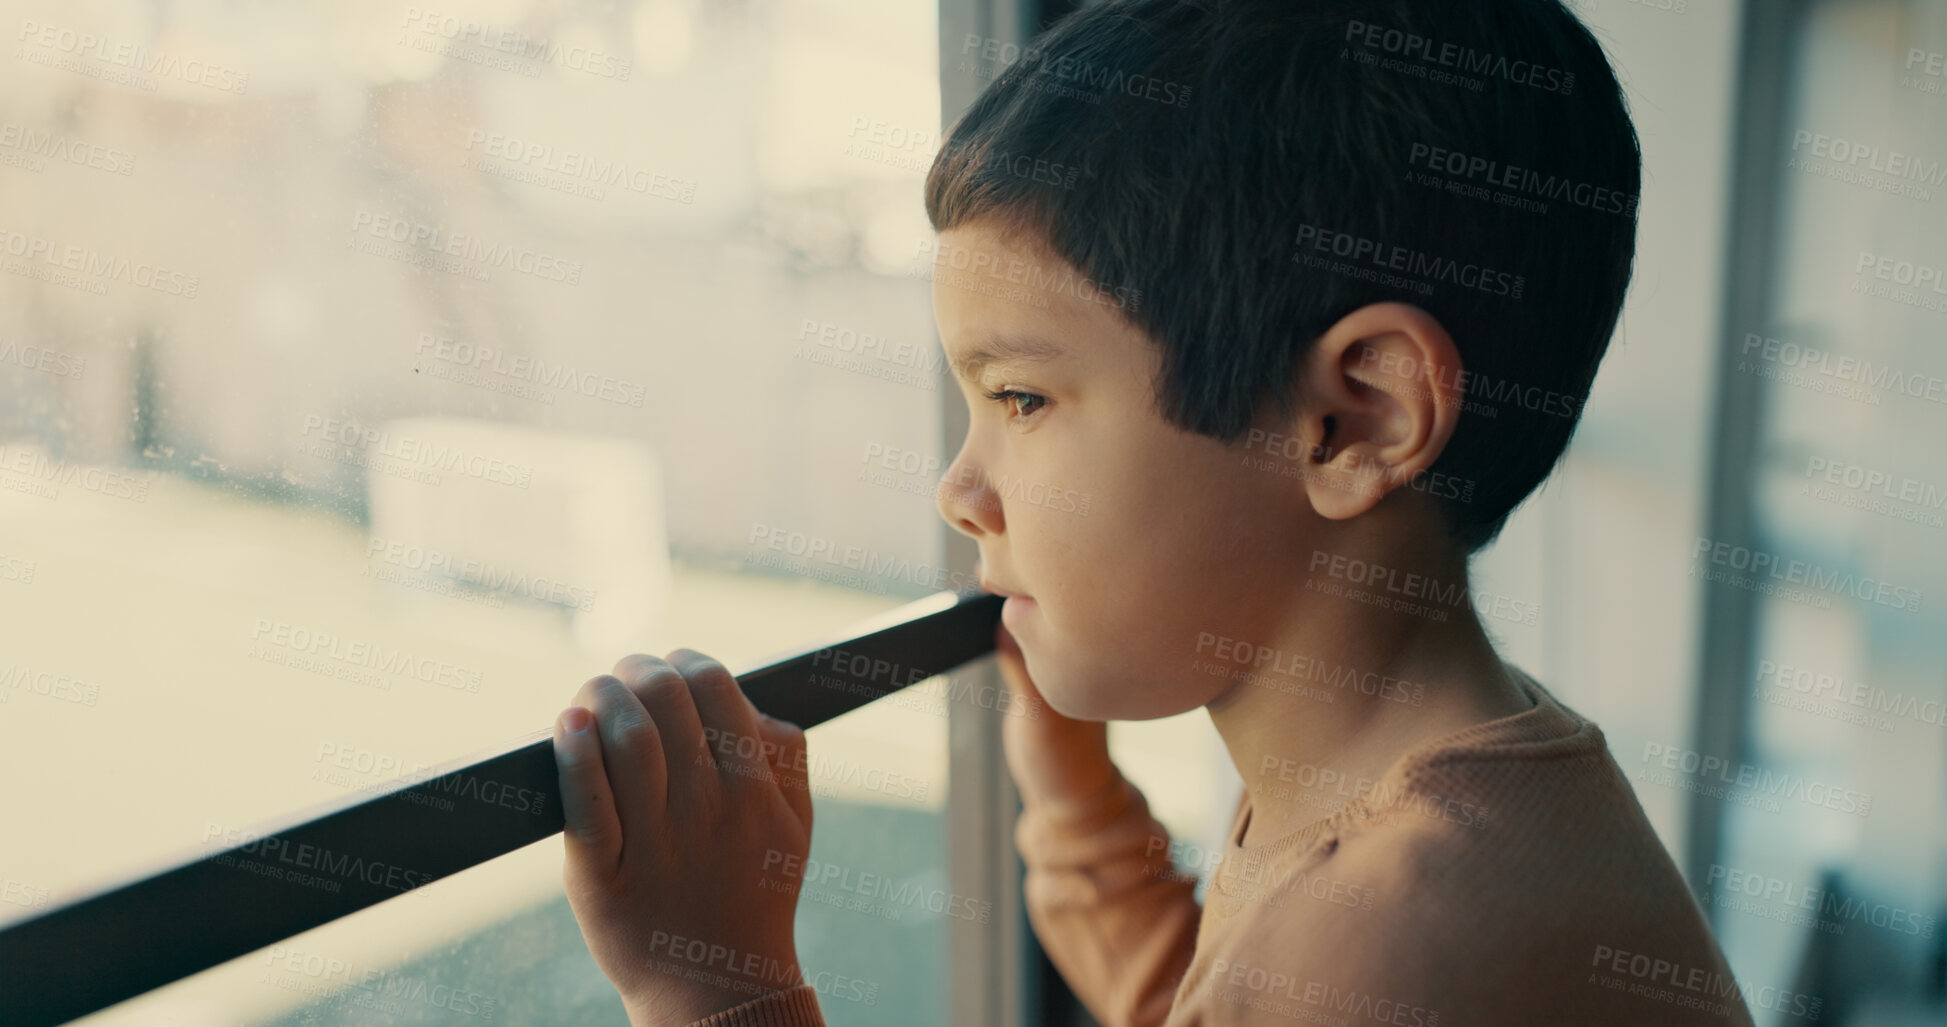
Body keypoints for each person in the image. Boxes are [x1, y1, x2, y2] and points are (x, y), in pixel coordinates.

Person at [549, 0, 1760, 1023]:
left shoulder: (1396, 938)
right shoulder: (1410, 795)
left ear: (1358, 421)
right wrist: (1073, 790)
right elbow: (1195, 996)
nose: (960, 492)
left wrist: (715, 986)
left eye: (1021, 397)